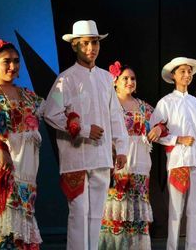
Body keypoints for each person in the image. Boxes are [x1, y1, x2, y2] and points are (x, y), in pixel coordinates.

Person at [43, 20, 129, 250]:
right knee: (79, 213)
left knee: (95, 216)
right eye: (85, 43)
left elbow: (115, 115)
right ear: (74, 46)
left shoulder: (105, 79)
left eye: (94, 42)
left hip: (101, 157)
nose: (91, 48)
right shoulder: (66, 79)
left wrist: (121, 147)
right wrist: (82, 129)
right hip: (76, 159)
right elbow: (51, 113)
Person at [99, 62, 166, 249]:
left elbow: (162, 123)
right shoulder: (109, 105)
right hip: (117, 163)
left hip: (141, 164)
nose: (130, 81)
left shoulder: (143, 107)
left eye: (133, 78)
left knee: (136, 210)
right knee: (116, 210)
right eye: (125, 78)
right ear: (115, 82)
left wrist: (159, 128)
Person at [150, 57, 196, 250]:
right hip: (177, 161)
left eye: (189, 72)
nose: (187, 75)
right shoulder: (166, 103)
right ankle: (172, 247)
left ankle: (195, 247)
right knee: (175, 210)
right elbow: (154, 131)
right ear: (173, 75)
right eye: (183, 71)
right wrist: (178, 139)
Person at [0, 39, 43, 248]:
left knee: (21, 231)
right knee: (2, 229)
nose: (12, 66)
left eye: (16, 61)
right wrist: (1, 149)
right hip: (0, 167)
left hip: (26, 172)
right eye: (6, 61)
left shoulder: (28, 96)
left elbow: (53, 110)